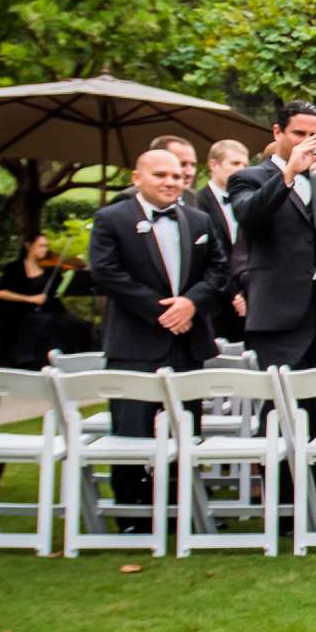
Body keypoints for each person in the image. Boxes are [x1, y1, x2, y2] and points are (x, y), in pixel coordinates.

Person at [228, 102, 316, 504]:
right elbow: (250, 218)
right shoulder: (248, 178)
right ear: (278, 132)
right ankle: (282, 499)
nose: (308, 142)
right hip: (278, 314)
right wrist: (289, 173)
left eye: (315, 135)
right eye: (299, 134)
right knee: (280, 409)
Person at [88, 148, 227, 515]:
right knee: (131, 432)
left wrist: (191, 304)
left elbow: (219, 270)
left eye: (176, 175)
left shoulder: (197, 220)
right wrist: (160, 310)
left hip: (188, 342)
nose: (170, 182)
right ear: (137, 177)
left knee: (186, 429)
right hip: (134, 343)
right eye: (160, 175)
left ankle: (182, 507)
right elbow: (105, 271)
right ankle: (131, 512)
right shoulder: (111, 219)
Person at [194, 138, 250, 343]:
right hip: (215, 304)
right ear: (213, 164)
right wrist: (233, 294)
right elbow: (205, 257)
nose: (241, 169)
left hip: (250, 300)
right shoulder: (196, 204)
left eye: (245, 165)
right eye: (235, 164)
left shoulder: (249, 201)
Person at [0, 233, 65, 368]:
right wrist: (30, 299)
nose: (45, 250)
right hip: (20, 314)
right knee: (43, 323)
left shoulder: (51, 270)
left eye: (46, 246)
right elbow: (0, 293)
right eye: (41, 246)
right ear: (29, 246)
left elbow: (57, 292)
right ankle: (29, 361)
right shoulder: (15, 268)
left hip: (48, 313)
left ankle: (59, 361)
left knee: (73, 324)